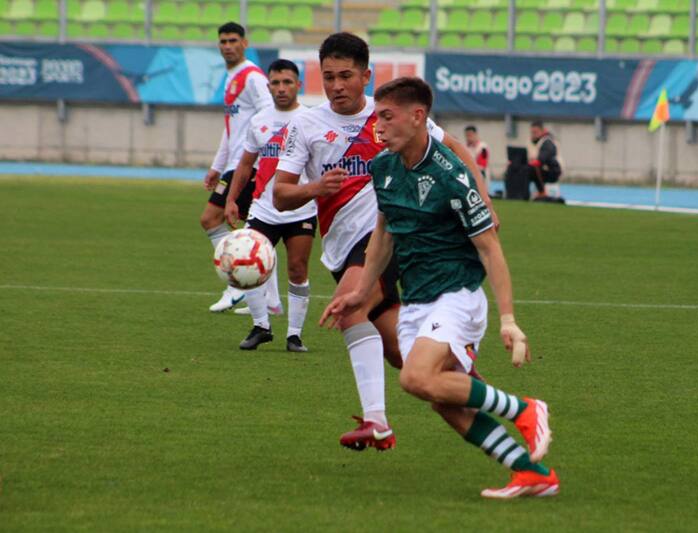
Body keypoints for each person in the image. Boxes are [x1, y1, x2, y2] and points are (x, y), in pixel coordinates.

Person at [322, 77, 558, 499]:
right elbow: (383, 233)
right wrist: (360, 293)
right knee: (443, 400)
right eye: (377, 117)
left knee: (415, 378)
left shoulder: (452, 176)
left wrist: (508, 320)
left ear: (417, 118)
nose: (379, 126)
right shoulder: (384, 168)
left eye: (387, 117)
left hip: (457, 296)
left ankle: (525, 409)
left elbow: (491, 250)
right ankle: (530, 472)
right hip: (416, 301)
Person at [272, 32, 499, 451]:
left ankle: (377, 421)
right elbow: (279, 195)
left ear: (366, 76)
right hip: (342, 250)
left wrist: (481, 195)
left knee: (351, 306)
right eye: (328, 77)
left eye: (346, 75)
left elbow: (453, 149)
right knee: (412, 363)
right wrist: (315, 188)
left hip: (393, 237)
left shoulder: (389, 115)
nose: (337, 85)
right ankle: (506, 417)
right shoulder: (305, 125)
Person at [225, 59, 317, 351]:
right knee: (248, 265)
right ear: (269, 86)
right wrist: (230, 199)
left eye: (287, 82)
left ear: (298, 85)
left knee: (297, 269)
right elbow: (245, 164)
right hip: (263, 208)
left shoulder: (312, 119)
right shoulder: (259, 121)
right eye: (275, 83)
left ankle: (294, 335)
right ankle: (261, 326)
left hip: (300, 209)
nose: (281, 88)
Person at [201, 22, 275, 313]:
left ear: (244, 43)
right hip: (233, 164)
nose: (227, 45)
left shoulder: (252, 77)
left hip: (247, 164)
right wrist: (216, 166)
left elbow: (270, 114)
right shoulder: (232, 77)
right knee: (256, 232)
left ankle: (236, 286)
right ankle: (265, 297)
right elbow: (231, 128)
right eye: (223, 41)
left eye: (233, 40)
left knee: (211, 219)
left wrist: (261, 157)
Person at [529, 119, 563, 201]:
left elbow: (541, 160)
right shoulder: (540, 142)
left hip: (553, 172)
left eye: (535, 132)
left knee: (532, 169)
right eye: (532, 133)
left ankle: (542, 192)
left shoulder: (547, 142)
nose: (533, 135)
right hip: (548, 170)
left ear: (543, 131)